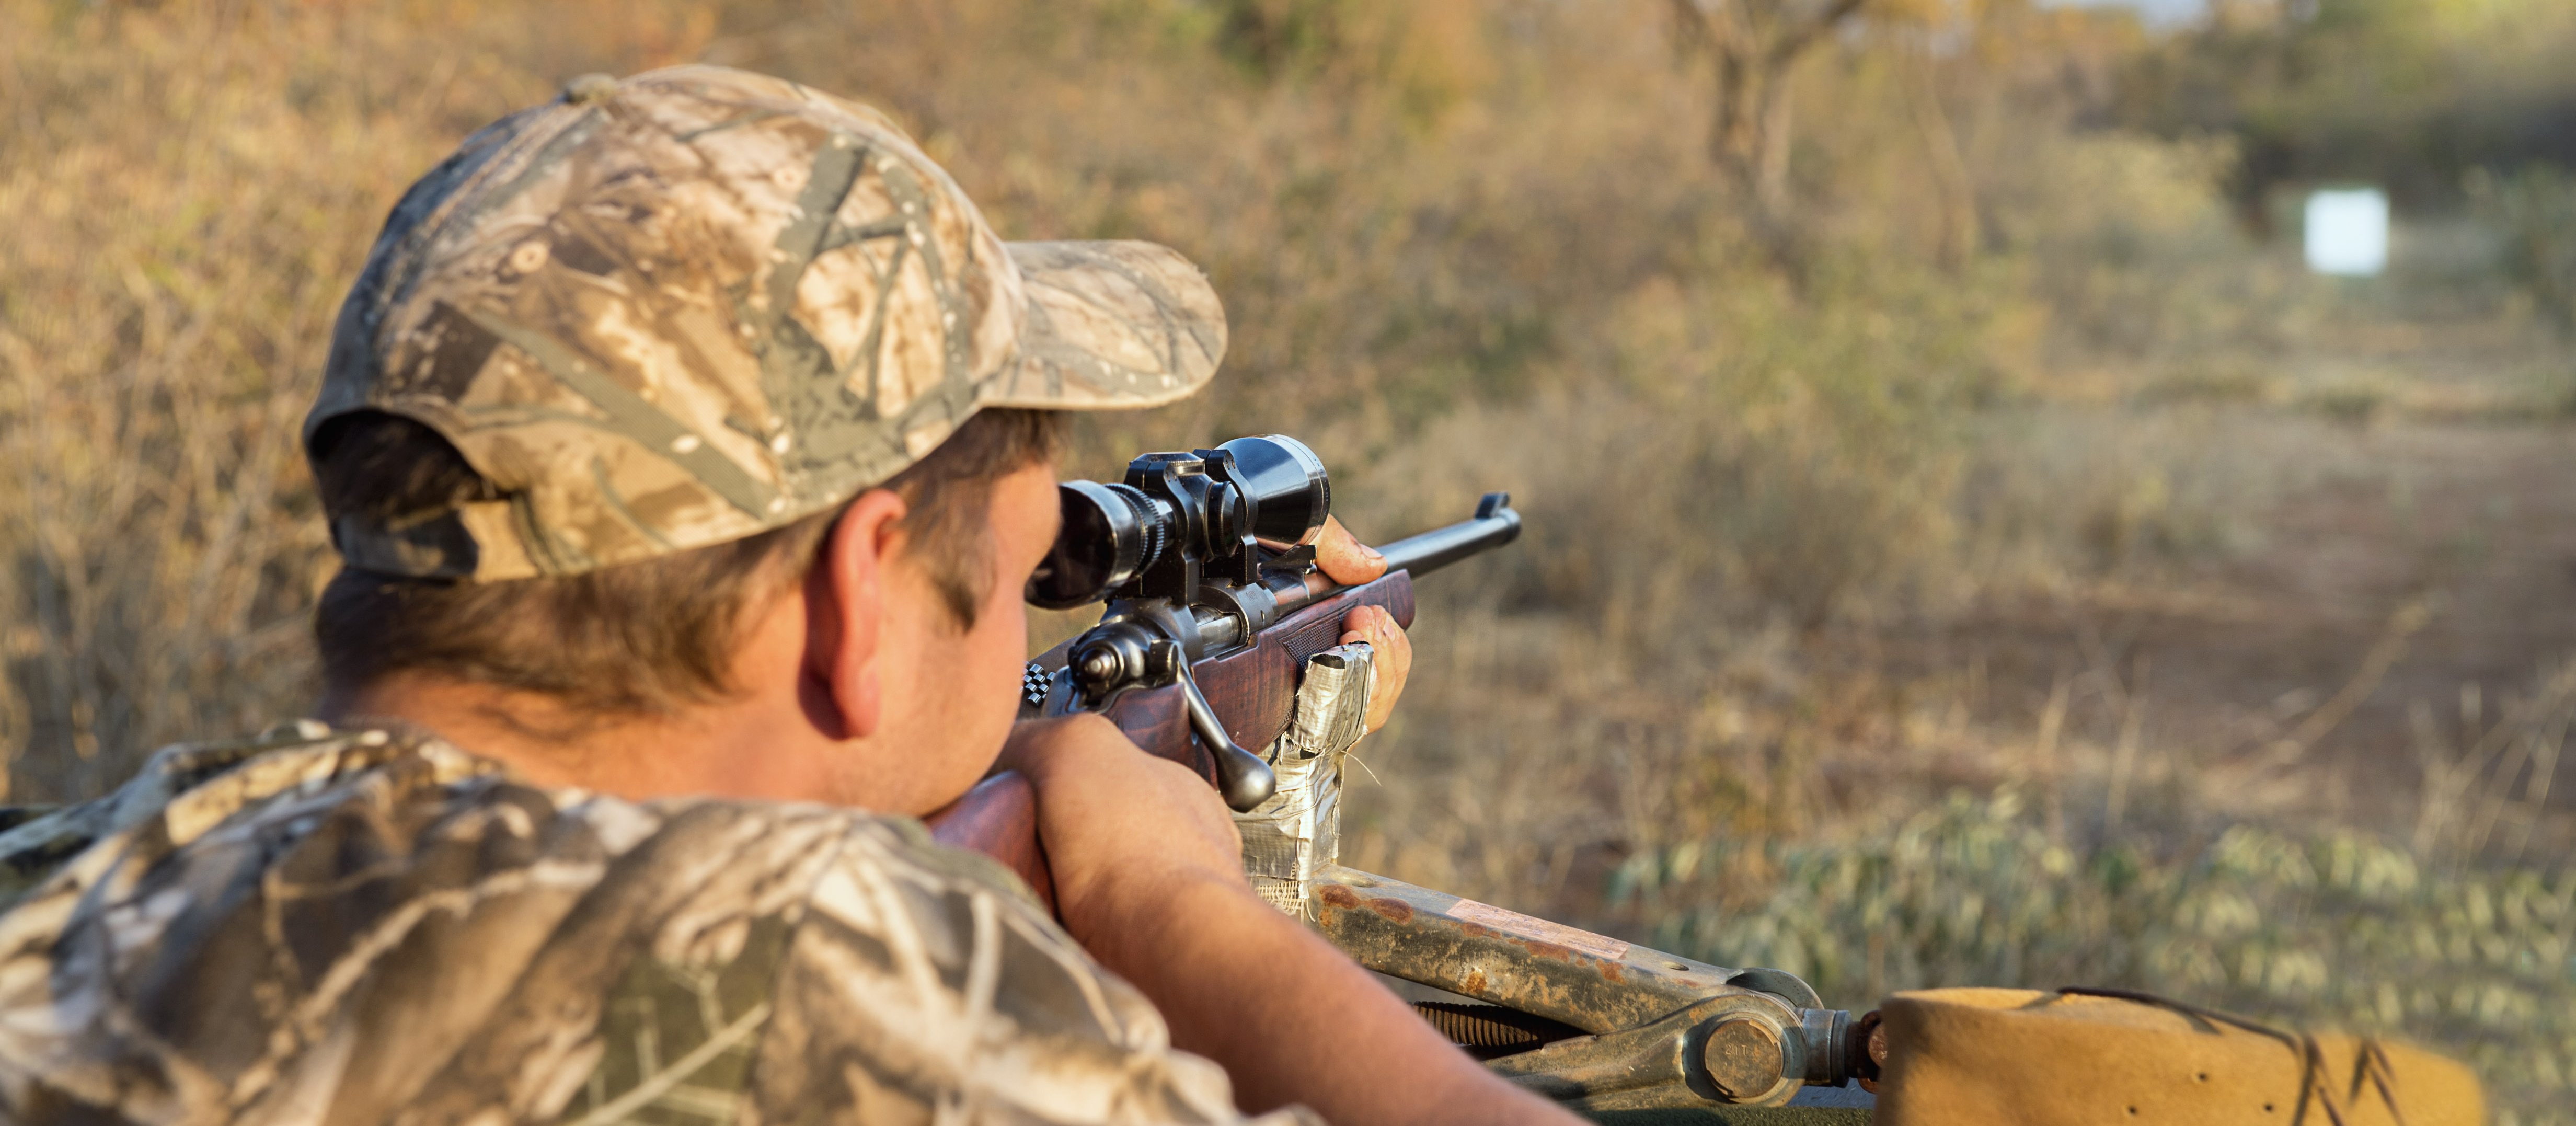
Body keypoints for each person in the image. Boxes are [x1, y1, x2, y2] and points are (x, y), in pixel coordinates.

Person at [0, 66, 1581, 1126]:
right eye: (1034, 563)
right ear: (847, 600)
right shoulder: (825, 963)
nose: (1037, 602)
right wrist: (1184, 910)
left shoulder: (74, 874)